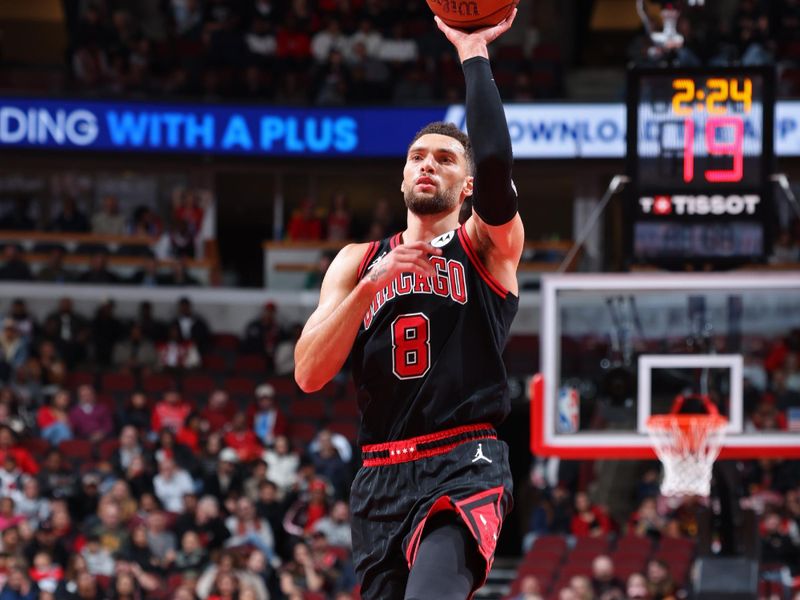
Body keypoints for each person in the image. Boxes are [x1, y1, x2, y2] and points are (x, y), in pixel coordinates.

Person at [294, 10, 522, 599]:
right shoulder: (356, 259)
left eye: (446, 159)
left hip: (463, 460)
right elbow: (309, 373)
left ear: (466, 186)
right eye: (419, 156)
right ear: (402, 177)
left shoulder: (484, 245)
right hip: (379, 475)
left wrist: (473, 52)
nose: (429, 164)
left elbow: (497, 164)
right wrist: (371, 286)